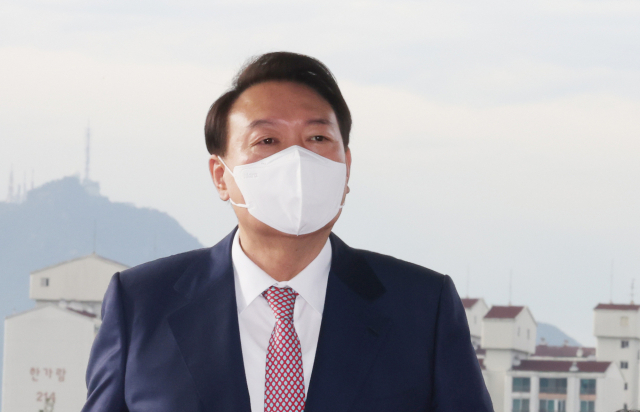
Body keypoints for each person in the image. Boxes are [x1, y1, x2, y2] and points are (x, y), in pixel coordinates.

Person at [82, 52, 493, 412]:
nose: (296, 159)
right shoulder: (141, 305)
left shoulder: (423, 307)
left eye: (317, 137)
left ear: (346, 167)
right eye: (267, 140)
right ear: (221, 176)